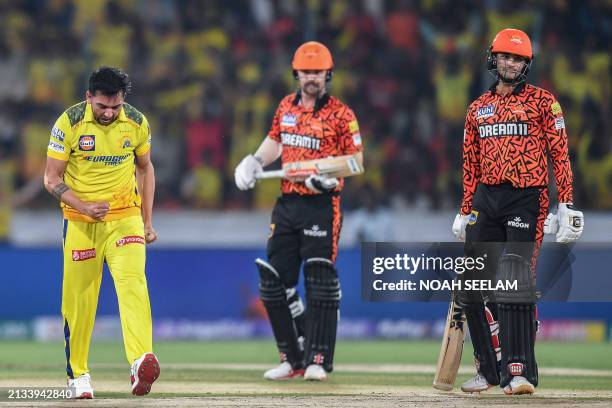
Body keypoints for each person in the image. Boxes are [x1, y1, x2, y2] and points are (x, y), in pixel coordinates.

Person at [451, 28, 584, 395]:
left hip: (527, 197)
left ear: (527, 64)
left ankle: (519, 371)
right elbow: (470, 163)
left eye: (518, 59)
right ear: (493, 59)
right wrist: (465, 210)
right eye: (505, 57)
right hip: (486, 199)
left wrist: (567, 202)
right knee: (473, 284)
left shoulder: (544, 103)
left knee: (514, 279)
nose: (510, 63)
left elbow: (559, 154)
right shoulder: (478, 108)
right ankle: (487, 370)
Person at [234, 41, 364, 381]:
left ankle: (318, 359)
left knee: (319, 279)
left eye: (317, 73)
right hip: (288, 202)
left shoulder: (341, 114)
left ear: (327, 75)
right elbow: (275, 141)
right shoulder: (285, 108)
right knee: (275, 282)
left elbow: (356, 162)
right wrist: (254, 160)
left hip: (322, 204)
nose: (311, 78)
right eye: (306, 72)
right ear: (297, 74)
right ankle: (292, 358)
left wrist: (324, 174)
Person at [44, 67, 160, 398]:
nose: (109, 113)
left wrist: (147, 220)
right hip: (81, 222)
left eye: (115, 106)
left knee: (133, 284)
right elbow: (51, 180)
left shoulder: (136, 122)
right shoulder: (69, 123)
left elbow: (145, 167)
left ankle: (140, 361)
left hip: (125, 218)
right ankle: (78, 374)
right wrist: (83, 206)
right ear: (88, 97)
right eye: (102, 107)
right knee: (80, 301)